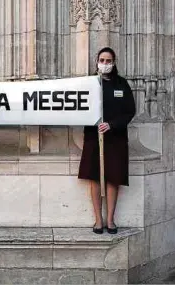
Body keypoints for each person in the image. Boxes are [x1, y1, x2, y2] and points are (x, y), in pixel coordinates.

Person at [78, 47, 136, 234]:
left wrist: (112, 124)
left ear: (114, 62)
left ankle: (110, 219)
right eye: (102, 60)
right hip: (94, 138)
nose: (105, 64)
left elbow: (130, 111)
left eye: (108, 61)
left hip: (115, 138)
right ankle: (98, 220)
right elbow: (79, 106)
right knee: (94, 177)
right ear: (97, 62)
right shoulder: (90, 83)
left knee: (113, 178)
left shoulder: (122, 84)